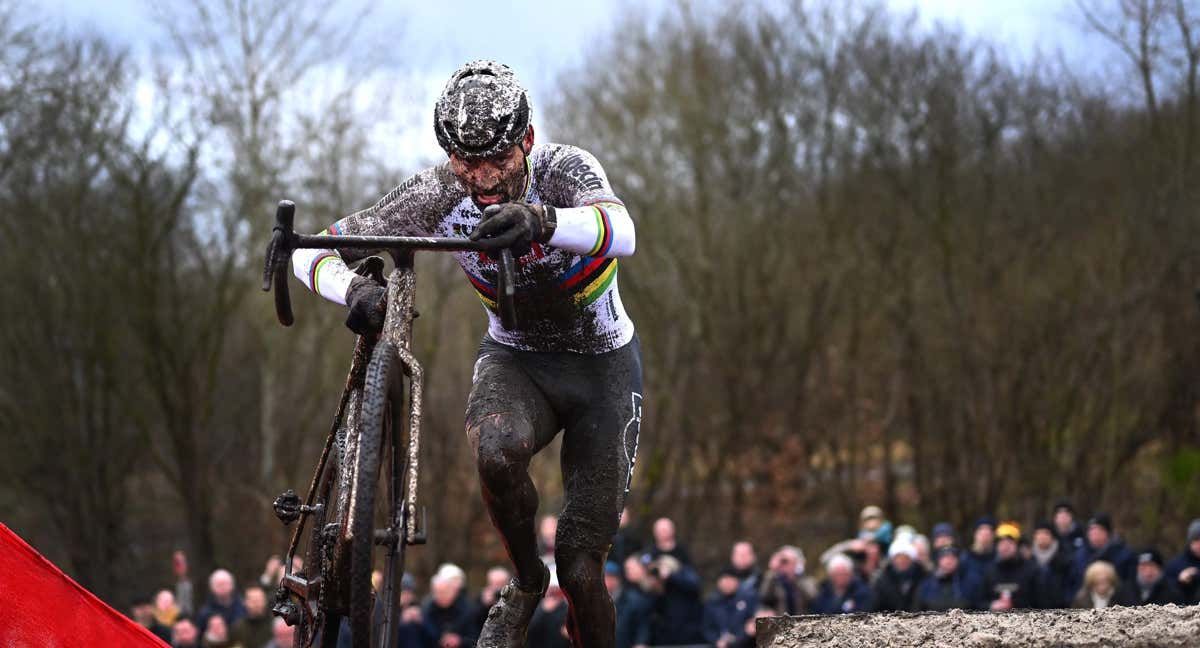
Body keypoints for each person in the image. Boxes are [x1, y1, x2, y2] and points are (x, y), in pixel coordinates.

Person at [292, 59, 642, 648]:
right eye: (465, 162)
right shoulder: (438, 191)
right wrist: (350, 288)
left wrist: (540, 220)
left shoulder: (562, 170)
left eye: (498, 161)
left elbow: (622, 230)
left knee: (581, 569)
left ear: (526, 140)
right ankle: (526, 583)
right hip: (517, 361)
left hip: (601, 367)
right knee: (496, 452)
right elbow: (311, 252)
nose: (481, 179)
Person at [640, 553, 703, 645]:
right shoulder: (656, 586)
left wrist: (670, 576)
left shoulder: (683, 572)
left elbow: (695, 587)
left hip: (689, 635)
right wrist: (654, 586)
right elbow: (649, 610)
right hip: (666, 637)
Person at [976, 522, 1039, 611]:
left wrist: (1015, 606)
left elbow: (1040, 602)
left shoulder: (1031, 570)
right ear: (997, 546)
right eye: (1002, 543)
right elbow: (979, 602)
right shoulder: (989, 571)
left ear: (1017, 546)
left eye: (1009, 543)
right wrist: (991, 605)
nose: (1005, 547)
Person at [1071, 514, 1136, 593]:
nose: (1095, 535)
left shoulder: (1124, 554)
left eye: (1099, 530)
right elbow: (1074, 582)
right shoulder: (1079, 555)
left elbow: (1129, 583)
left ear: (1108, 533)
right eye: (1091, 531)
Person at [422, 568, 478, 647]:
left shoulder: (468, 610)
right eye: (437, 592)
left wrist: (460, 640)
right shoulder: (427, 610)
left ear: (454, 591)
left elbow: (475, 637)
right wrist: (440, 638)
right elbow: (426, 634)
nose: (441, 596)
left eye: (445, 592)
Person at [702, 567, 756, 648]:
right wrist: (716, 641)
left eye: (730, 579)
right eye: (724, 579)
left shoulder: (749, 598)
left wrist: (740, 637)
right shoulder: (712, 602)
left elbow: (753, 621)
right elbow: (707, 628)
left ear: (737, 581)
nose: (727, 583)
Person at [872, 535, 927, 612]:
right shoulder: (882, 579)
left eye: (905, 557)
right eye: (898, 557)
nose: (901, 561)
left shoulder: (922, 576)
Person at [757, 545, 816, 615]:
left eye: (787, 561)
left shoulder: (806, 580)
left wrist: (795, 576)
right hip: (782, 622)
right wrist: (773, 570)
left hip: (802, 622)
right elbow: (764, 597)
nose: (785, 565)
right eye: (783, 562)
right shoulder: (775, 580)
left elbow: (812, 597)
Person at [1116, 549, 1185, 606]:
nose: (1148, 572)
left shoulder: (1173, 592)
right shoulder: (1124, 592)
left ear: (1159, 568)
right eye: (1143, 567)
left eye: (1152, 566)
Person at [1029, 521, 1073, 608]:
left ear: (1052, 536)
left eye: (1046, 533)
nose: (1042, 536)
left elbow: (1070, 585)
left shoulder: (1064, 558)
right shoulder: (1029, 560)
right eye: (1039, 533)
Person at [615, 556, 655, 648]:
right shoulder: (625, 592)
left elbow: (645, 620)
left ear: (642, 568)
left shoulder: (652, 587)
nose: (628, 571)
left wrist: (641, 641)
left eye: (631, 568)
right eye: (626, 568)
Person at [917, 546, 972, 611]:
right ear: (939, 560)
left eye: (953, 558)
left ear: (958, 561)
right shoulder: (927, 584)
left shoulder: (968, 582)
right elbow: (918, 607)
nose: (949, 561)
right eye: (945, 557)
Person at [528, 570, 571, 648]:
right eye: (551, 590)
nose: (553, 594)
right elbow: (530, 630)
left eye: (556, 591)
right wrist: (543, 610)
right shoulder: (535, 606)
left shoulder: (567, 608)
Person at [1164, 518, 1200, 605]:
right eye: (1196, 540)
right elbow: (1164, 594)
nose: (1199, 545)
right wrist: (1180, 582)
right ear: (1189, 542)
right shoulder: (1174, 566)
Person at [475, 566, 513, 631]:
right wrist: (485, 605)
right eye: (493, 583)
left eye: (500, 584)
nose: (496, 588)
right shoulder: (482, 597)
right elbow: (474, 620)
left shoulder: (513, 596)